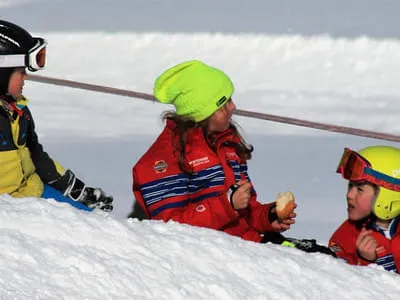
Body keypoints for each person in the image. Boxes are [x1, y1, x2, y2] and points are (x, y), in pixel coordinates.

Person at [132, 59, 305, 247]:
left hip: (247, 247)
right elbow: (170, 229)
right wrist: (227, 204)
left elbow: (245, 211)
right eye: (225, 102)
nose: (233, 107)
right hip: (210, 261)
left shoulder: (227, 144)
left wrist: (267, 217)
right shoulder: (162, 160)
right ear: (204, 111)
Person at [0, 20, 113, 212]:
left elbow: (36, 155)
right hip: (11, 209)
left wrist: (77, 190)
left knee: (94, 219)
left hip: (32, 192)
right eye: (21, 72)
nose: (26, 77)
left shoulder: (18, 111)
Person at [329, 145, 400, 273]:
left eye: (360, 189)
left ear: (388, 196)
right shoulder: (349, 232)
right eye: (350, 186)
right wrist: (364, 260)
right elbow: (337, 279)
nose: (349, 195)